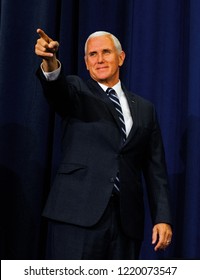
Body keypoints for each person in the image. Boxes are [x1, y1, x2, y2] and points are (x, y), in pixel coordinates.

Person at [35, 28, 173, 260]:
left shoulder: (145, 109)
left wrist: (162, 217)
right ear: (86, 63)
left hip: (126, 223)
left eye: (106, 52)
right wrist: (50, 62)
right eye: (92, 54)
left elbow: (155, 170)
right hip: (77, 216)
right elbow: (55, 89)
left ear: (121, 57)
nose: (99, 59)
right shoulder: (76, 90)